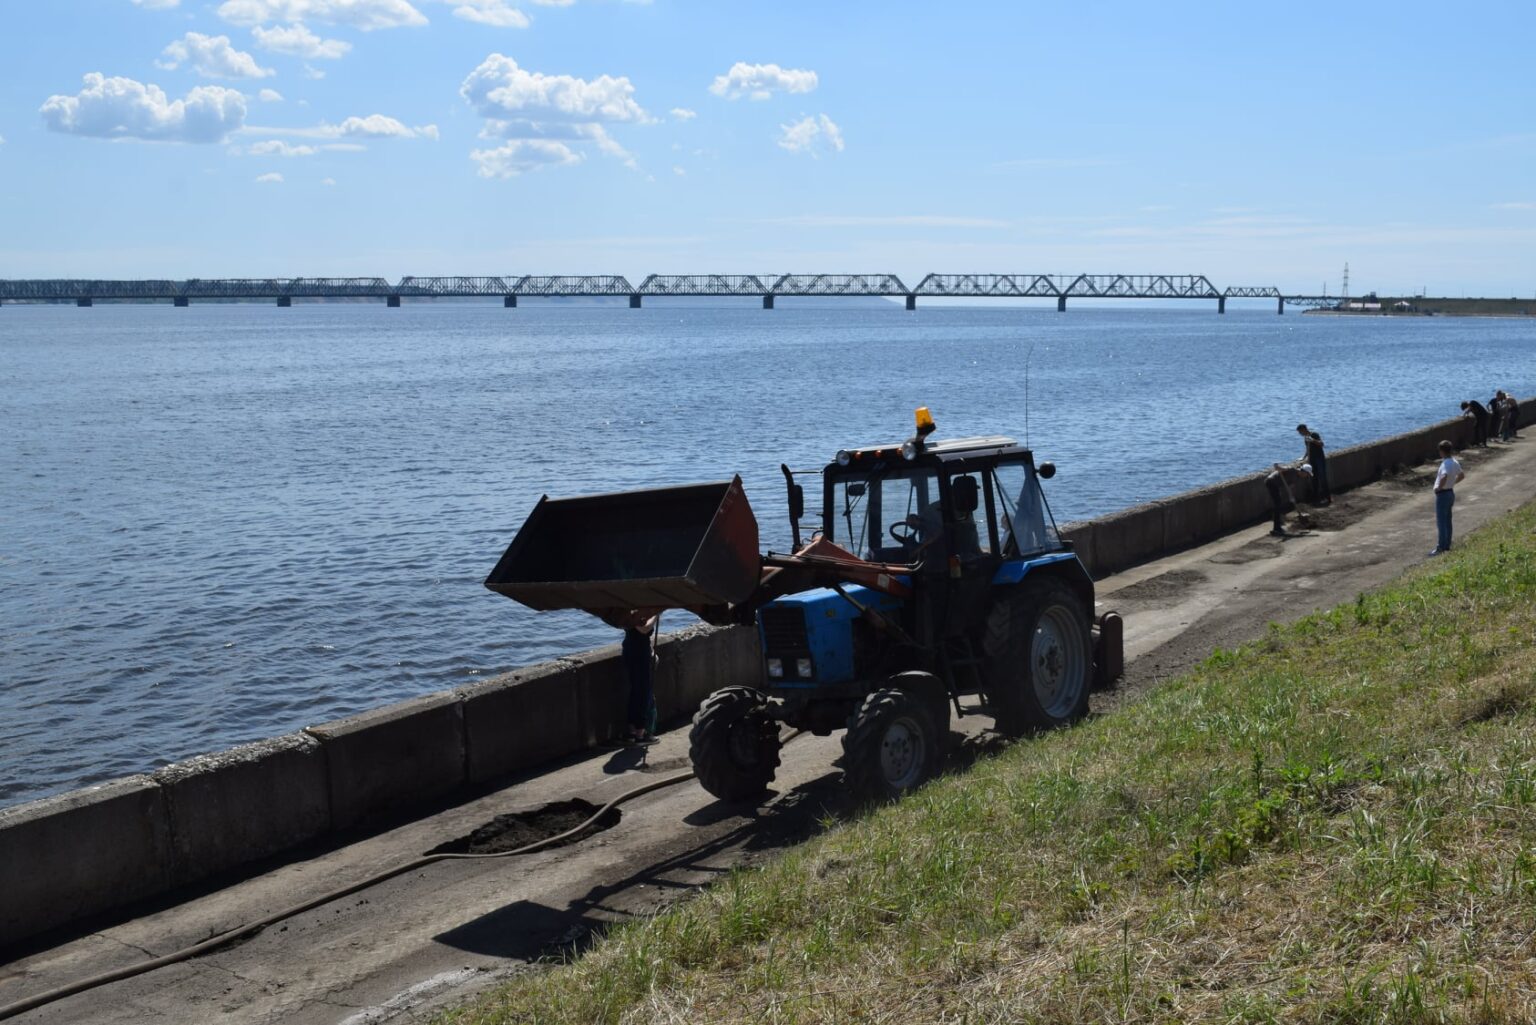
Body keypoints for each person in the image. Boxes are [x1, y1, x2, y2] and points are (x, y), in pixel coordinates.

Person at [603, 609, 661, 743]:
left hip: (632, 649)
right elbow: (644, 629)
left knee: (636, 691)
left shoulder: (629, 611)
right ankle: (640, 733)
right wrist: (656, 615)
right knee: (642, 692)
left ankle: (632, 731)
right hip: (639, 653)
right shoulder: (634, 614)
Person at [1430, 440, 1465, 557]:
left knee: (1441, 522)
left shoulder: (1445, 464)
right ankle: (1447, 544)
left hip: (1443, 494)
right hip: (1450, 492)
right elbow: (1462, 475)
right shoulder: (1454, 462)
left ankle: (1441, 547)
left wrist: (1439, 488)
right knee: (1448, 521)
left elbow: (1444, 476)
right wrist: (1453, 483)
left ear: (1441, 451)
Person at [1265, 462, 1312, 537]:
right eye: (1307, 474)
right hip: (1271, 482)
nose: (1307, 476)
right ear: (1303, 471)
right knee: (1278, 504)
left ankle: (1278, 526)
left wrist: (1291, 497)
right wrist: (1278, 467)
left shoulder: (1297, 477)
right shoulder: (1292, 470)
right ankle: (1276, 529)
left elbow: (1290, 487)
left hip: (1276, 485)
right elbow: (1282, 469)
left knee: (1278, 504)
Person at [1296, 424, 1330, 505]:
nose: (1300, 434)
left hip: (1319, 459)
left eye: (1300, 432)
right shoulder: (1305, 438)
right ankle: (1316, 497)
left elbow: (1321, 444)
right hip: (1312, 460)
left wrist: (1312, 440)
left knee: (1322, 478)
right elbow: (1308, 449)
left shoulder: (1314, 434)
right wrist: (1303, 457)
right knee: (1314, 479)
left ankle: (1327, 498)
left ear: (1304, 429)